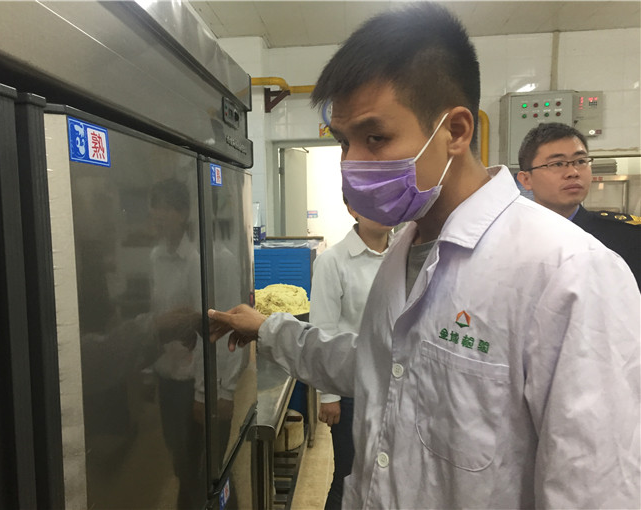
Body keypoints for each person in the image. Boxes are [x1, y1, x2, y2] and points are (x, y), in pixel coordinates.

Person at [208, 3, 640, 509]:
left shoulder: (568, 271)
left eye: (376, 138)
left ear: (456, 131)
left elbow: (593, 488)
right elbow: (378, 364)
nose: (352, 164)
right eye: (345, 142)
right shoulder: (403, 249)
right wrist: (267, 330)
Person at [310, 198, 394, 510]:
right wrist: (329, 395)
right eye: (374, 201)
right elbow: (323, 330)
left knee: (384, 476)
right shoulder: (333, 261)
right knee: (348, 476)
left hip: (393, 387)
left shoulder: (402, 255)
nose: (385, 208)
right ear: (352, 209)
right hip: (352, 390)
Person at [517, 122, 641, 287]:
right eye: (557, 164)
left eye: (581, 161)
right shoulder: (511, 241)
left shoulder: (628, 238)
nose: (573, 172)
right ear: (526, 179)